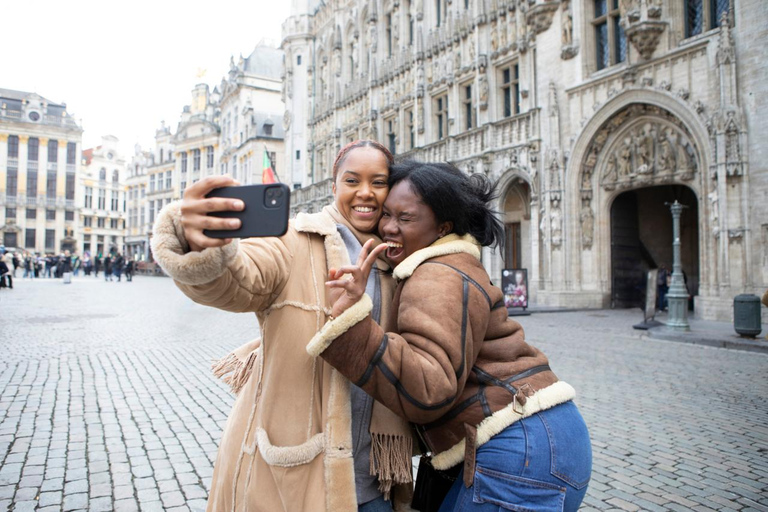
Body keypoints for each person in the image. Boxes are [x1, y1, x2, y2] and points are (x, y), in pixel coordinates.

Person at [311, 161, 592, 512]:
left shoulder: (436, 274)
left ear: (443, 226)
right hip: (543, 441)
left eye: (406, 218)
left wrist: (353, 325)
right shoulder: (453, 263)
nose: (389, 228)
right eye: (386, 215)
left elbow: (429, 388)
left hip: (521, 449)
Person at [150, 140, 414, 512]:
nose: (365, 193)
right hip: (297, 477)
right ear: (333, 186)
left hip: (373, 481)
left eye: (379, 182)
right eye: (352, 180)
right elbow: (238, 281)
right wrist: (199, 244)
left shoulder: (397, 261)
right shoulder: (294, 239)